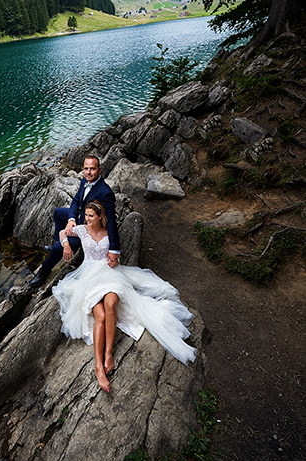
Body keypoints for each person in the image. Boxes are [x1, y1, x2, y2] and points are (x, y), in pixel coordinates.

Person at [52, 200, 196, 393]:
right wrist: (66, 245)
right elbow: (63, 232)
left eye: (91, 216)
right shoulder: (82, 230)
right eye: (86, 215)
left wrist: (115, 258)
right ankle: (98, 366)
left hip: (110, 274)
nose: (87, 219)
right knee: (100, 316)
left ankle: (109, 353)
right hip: (89, 277)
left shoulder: (110, 233)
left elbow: (115, 252)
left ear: (100, 217)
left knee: (111, 305)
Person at [30, 154, 120, 288]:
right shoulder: (85, 181)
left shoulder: (105, 193)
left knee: (58, 248)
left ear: (99, 170)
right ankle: (59, 239)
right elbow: (76, 201)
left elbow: (111, 221)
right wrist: (71, 219)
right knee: (58, 212)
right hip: (79, 219)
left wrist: (114, 249)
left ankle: (44, 271)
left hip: (90, 229)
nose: (88, 172)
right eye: (86, 169)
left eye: (92, 169)